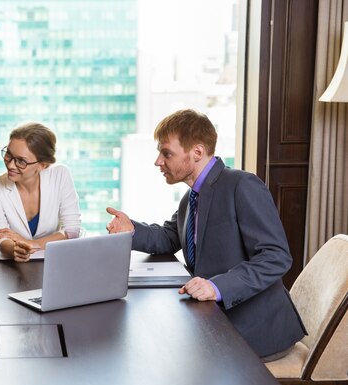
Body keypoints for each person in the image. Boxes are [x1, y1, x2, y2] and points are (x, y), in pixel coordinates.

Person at [106, 109, 306, 361]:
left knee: (158, 354)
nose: (158, 161)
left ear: (197, 152)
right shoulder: (192, 197)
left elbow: (276, 257)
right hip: (213, 317)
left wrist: (216, 286)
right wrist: (131, 229)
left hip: (254, 329)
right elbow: (170, 237)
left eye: (166, 153)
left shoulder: (242, 185)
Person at [0, 122, 81, 262]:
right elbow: (1, 236)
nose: (10, 165)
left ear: (42, 165)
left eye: (21, 161)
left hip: (54, 263)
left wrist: (31, 244)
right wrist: (14, 249)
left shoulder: (60, 175)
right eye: (8, 154)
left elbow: (73, 231)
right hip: (12, 267)